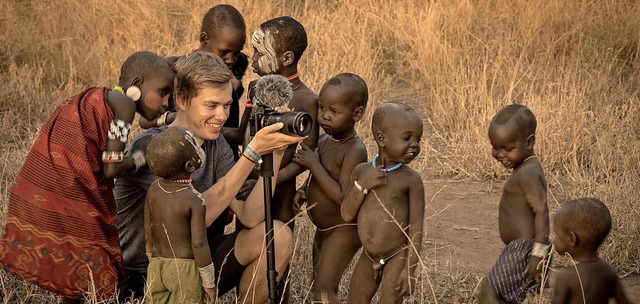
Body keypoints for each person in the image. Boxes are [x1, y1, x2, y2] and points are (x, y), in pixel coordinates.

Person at [114, 51, 304, 303]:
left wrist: (276, 152)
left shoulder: (216, 145)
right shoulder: (155, 147)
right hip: (149, 275)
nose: (222, 116)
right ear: (182, 99)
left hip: (197, 262)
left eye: (226, 105)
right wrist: (251, 153)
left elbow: (249, 214)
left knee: (277, 237)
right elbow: (193, 218)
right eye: (211, 105)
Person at [0, 51, 174, 302]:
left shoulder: (101, 96)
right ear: (136, 85)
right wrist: (139, 159)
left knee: (81, 275)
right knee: (97, 275)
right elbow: (111, 168)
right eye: (163, 92)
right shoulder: (124, 107)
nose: (167, 102)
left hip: (47, 188)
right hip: (72, 195)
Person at [292, 73, 369, 303]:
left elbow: (343, 197)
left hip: (343, 229)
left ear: (357, 114)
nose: (324, 116)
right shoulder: (325, 140)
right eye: (321, 108)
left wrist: (313, 164)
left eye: (334, 112)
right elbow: (319, 178)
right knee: (318, 284)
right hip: (324, 229)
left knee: (324, 289)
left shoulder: (354, 150)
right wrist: (303, 190)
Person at [341, 102, 425, 304]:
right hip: (368, 256)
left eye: (418, 139)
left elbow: (416, 227)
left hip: (397, 256)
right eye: (407, 138)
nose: (415, 145)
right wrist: (363, 185)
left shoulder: (411, 180)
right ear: (381, 139)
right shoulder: (362, 172)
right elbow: (346, 214)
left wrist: (409, 269)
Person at [146, 4, 249, 161]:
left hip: (223, 155)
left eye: (236, 53)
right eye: (224, 52)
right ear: (204, 39)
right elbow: (145, 120)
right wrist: (181, 119)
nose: (230, 59)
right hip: (179, 157)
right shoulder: (174, 70)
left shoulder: (238, 64)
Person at [248, 16, 320, 225]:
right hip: (250, 180)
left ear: (287, 58)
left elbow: (306, 155)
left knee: (279, 244)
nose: (252, 58)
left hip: (282, 188)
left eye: (259, 53)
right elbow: (243, 133)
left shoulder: (308, 100)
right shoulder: (254, 88)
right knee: (248, 234)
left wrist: (270, 180)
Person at [479, 104, 551, 303]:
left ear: (530, 142)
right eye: (495, 147)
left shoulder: (528, 172)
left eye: (508, 148)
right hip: (521, 248)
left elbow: (542, 211)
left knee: (488, 292)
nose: (500, 154)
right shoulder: (526, 167)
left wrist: (538, 253)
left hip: (524, 249)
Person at [143, 127, 216, 303]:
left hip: (156, 266)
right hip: (184, 271)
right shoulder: (194, 199)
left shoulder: (153, 189)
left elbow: (148, 227)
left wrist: (151, 256)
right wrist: (209, 282)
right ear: (190, 165)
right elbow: (198, 244)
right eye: (195, 146)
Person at [552, 198, 630, 304]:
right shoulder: (608, 270)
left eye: (557, 234)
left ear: (571, 239)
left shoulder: (566, 276)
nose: (554, 240)